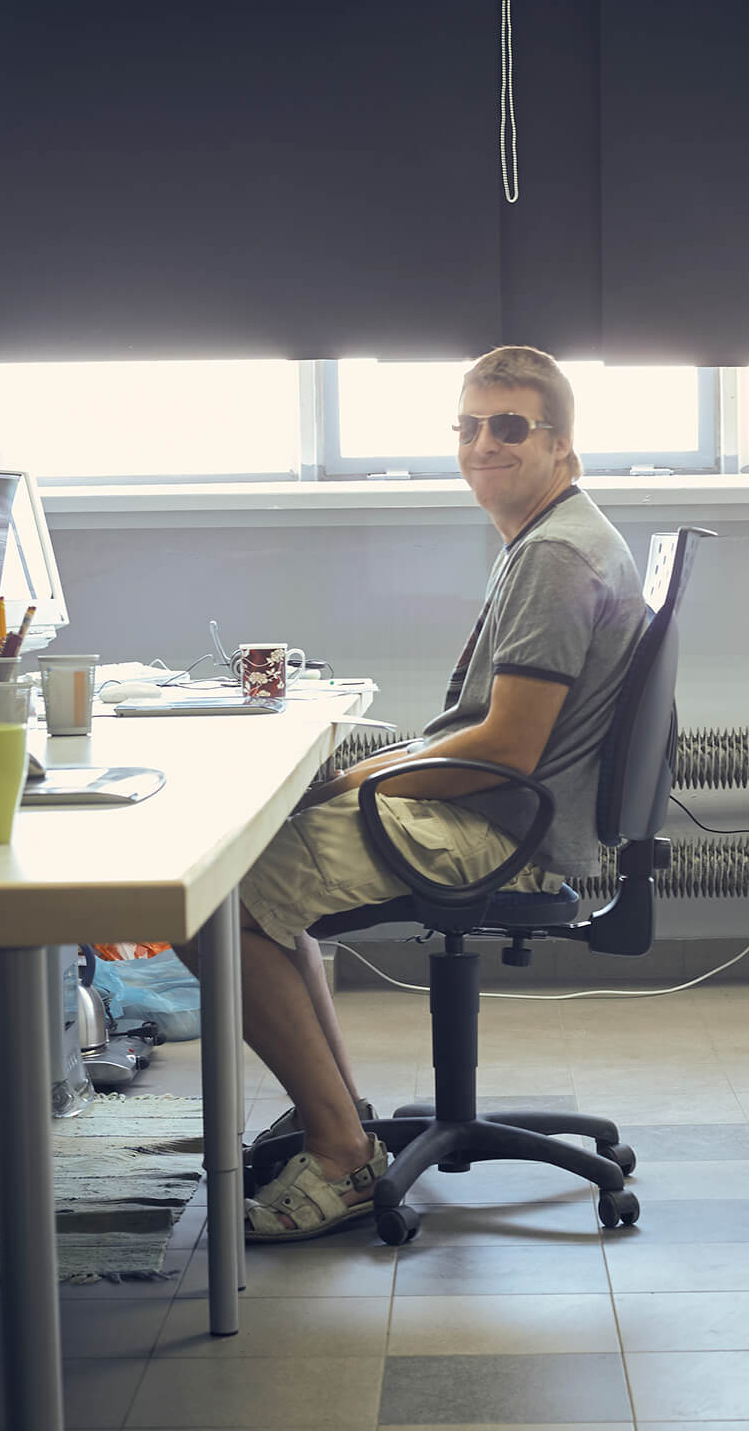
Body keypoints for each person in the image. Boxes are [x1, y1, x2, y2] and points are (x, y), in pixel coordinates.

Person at [190, 345, 645, 1242]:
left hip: (502, 831)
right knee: (267, 865)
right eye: (469, 426)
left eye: (509, 426)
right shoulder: (557, 534)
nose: (483, 444)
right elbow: (488, 732)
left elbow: (506, 747)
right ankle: (344, 1119)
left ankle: (338, 1153)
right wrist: (380, 764)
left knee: (217, 897)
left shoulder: (555, 557)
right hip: (506, 811)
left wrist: (365, 773)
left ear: (561, 441)